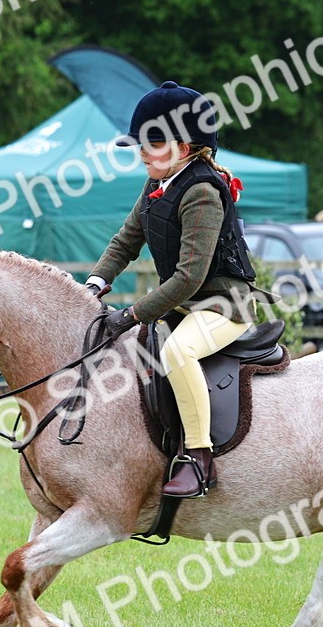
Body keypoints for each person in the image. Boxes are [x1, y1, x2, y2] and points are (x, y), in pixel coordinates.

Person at [86, 81, 259, 498]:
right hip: (184, 305)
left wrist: (131, 314)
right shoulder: (156, 183)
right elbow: (126, 240)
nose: (141, 152)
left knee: (177, 352)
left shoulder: (201, 191)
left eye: (151, 143)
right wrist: (93, 284)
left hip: (222, 305)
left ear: (183, 147)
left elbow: (188, 278)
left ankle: (199, 460)